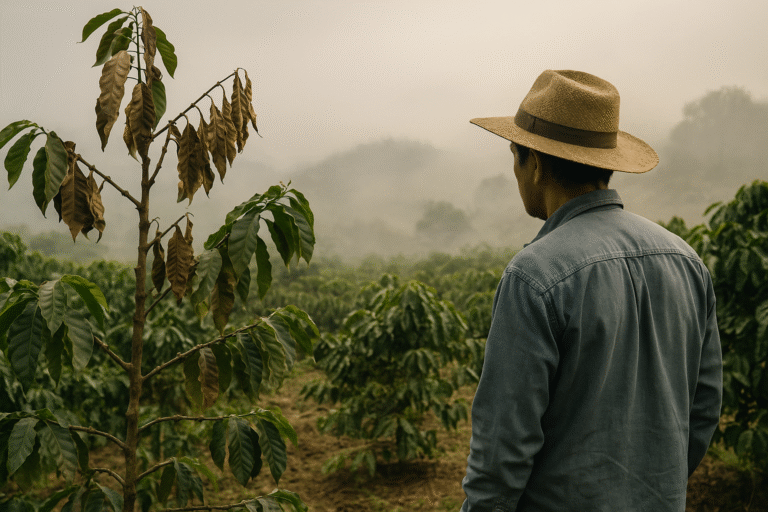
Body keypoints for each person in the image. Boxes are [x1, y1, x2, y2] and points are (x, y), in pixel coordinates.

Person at [461, 70, 722, 511]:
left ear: (536, 163)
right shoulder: (685, 261)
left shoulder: (533, 276)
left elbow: (501, 452)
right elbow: (704, 407)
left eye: (514, 155)